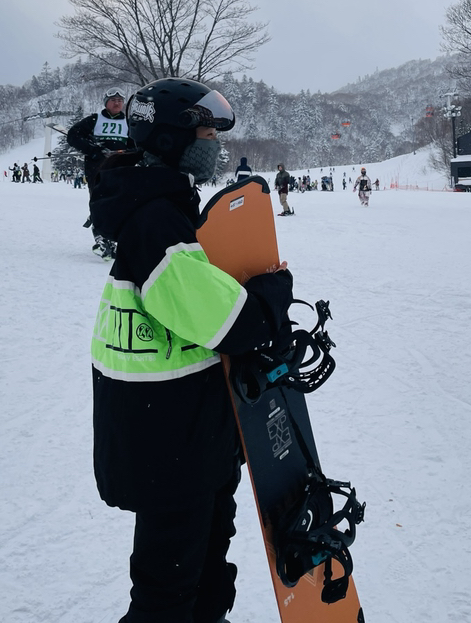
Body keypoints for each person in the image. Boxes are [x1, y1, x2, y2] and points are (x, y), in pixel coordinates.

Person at [89, 77, 293, 623]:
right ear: (169, 139)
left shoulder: (163, 206)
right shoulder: (156, 220)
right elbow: (223, 321)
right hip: (167, 443)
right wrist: (271, 298)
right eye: (205, 132)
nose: (214, 143)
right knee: (166, 591)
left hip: (184, 431)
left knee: (205, 570)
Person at [67, 88, 134, 258]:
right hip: (97, 168)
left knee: (121, 203)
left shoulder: (129, 122)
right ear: (106, 102)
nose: (117, 102)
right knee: (99, 201)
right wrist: (93, 150)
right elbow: (73, 135)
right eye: (113, 99)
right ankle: (102, 239)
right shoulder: (94, 120)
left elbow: (137, 143)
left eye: (120, 100)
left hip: (121, 168)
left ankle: (116, 237)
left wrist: (131, 154)